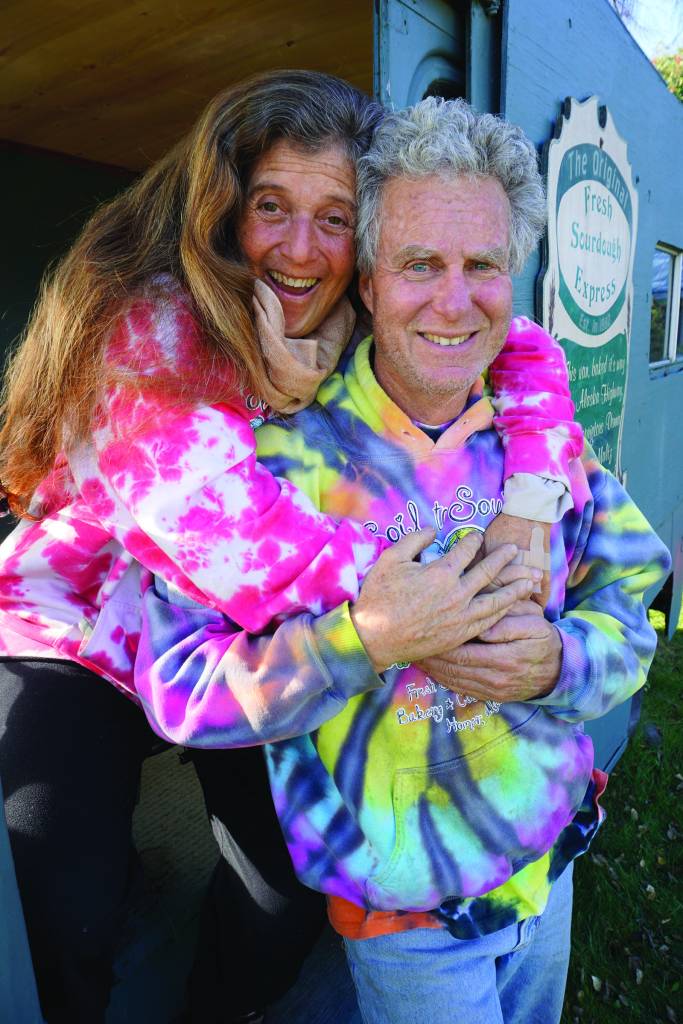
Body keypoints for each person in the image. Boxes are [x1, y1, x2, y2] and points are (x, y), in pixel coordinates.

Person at [0, 71, 578, 1023]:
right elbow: (251, 555)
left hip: (237, 645)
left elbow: (521, 348)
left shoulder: (352, 310)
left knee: (280, 893)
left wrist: (529, 501)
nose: (301, 248)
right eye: (271, 206)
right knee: (60, 901)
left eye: (335, 217)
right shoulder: (151, 325)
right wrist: (456, 603)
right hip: (83, 633)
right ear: (221, 208)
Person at [135, 96, 671, 1024]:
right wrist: (364, 639)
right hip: (406, 922)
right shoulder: (268, 464)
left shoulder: (543, 443)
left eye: (483, 265)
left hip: (548, 872)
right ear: (369, 281)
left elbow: (637, 597)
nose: (454, 302)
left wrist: (559, 662)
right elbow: (180, 687)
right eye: (420, 264)